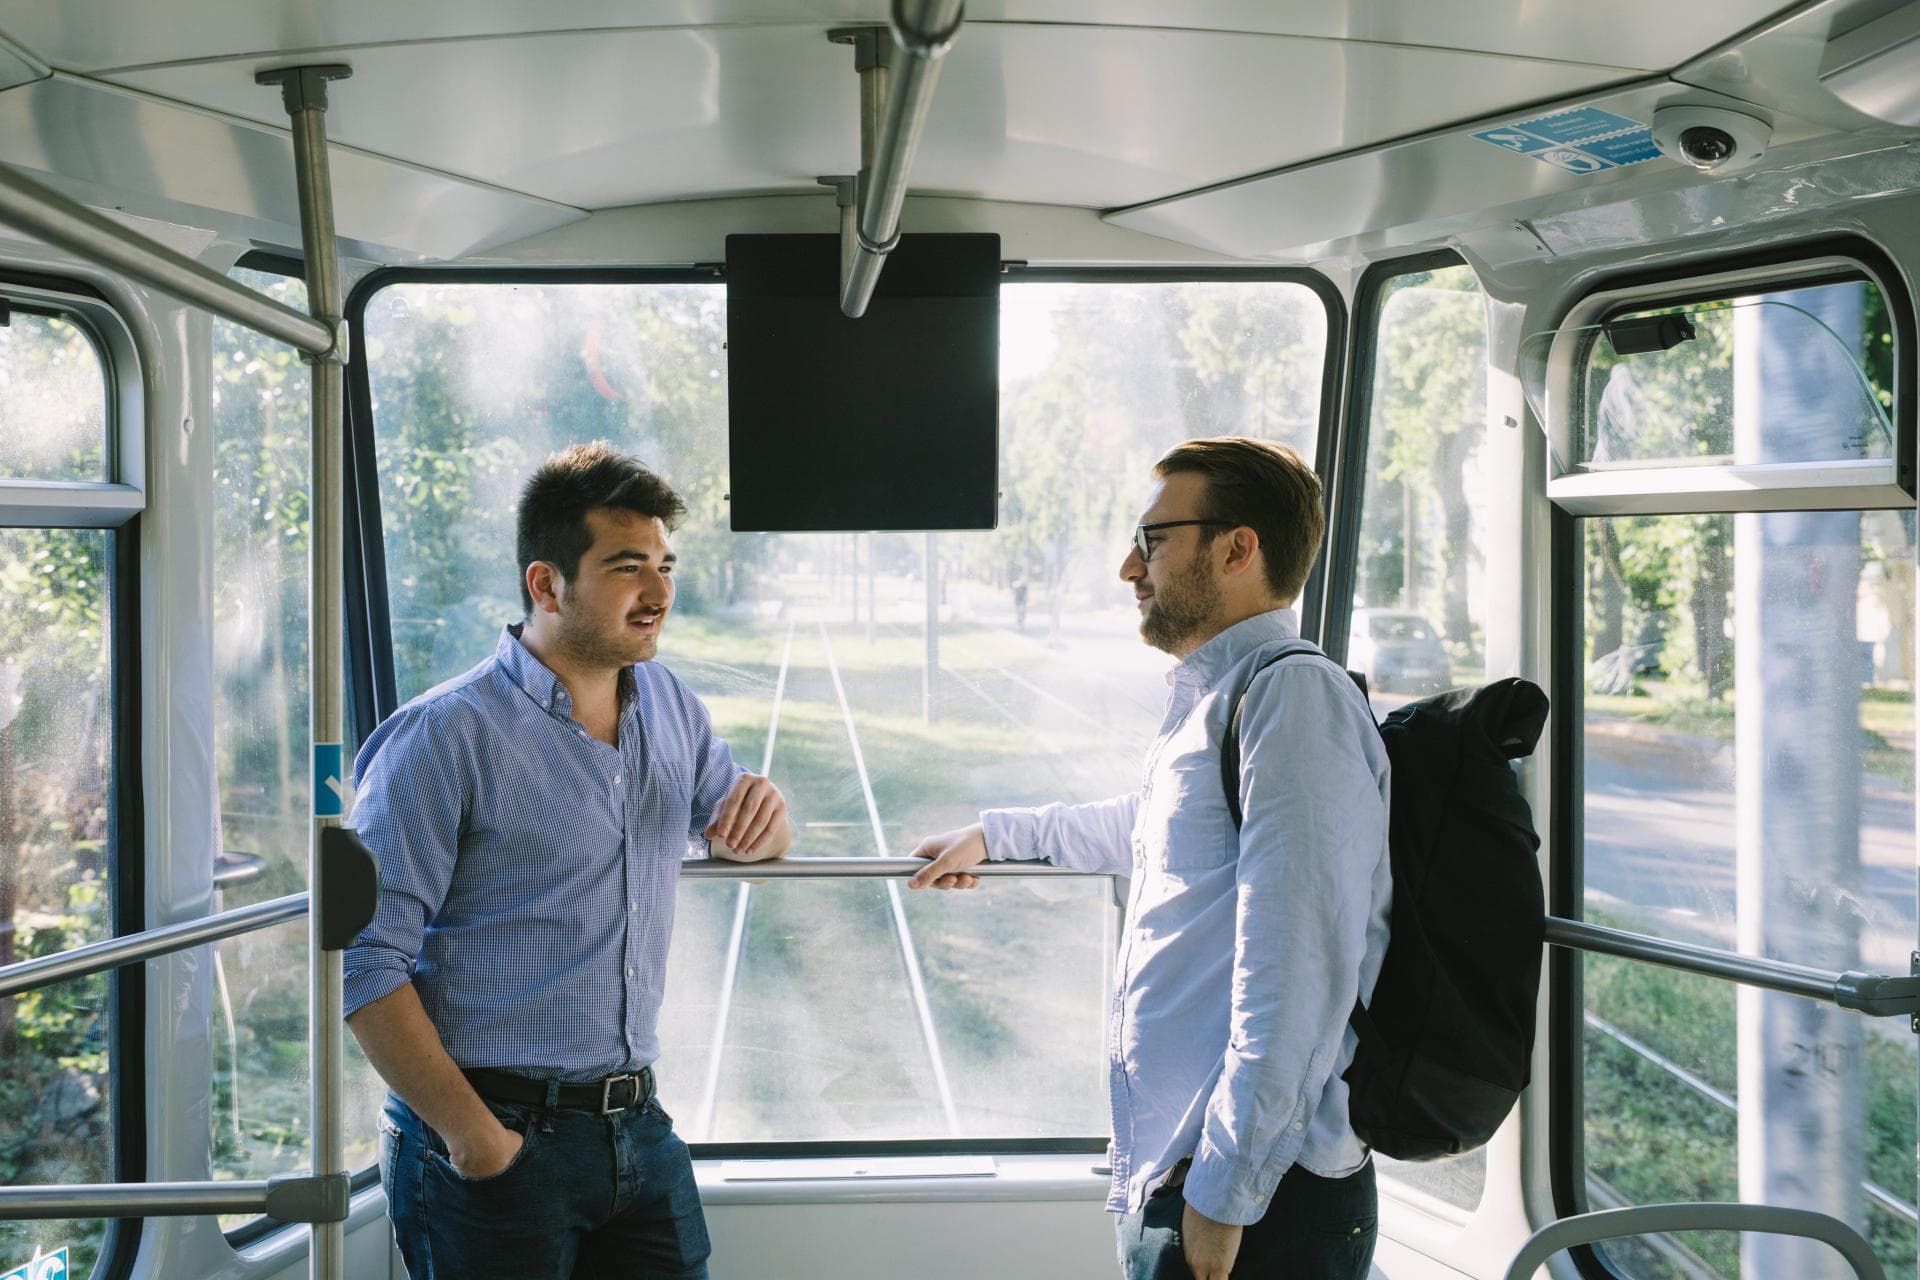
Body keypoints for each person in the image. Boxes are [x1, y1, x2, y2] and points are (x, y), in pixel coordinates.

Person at [908, 436, 1390, 1280]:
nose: (1131, 568)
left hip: (1259, 1195)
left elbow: (1298, 975)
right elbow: (1159, 834)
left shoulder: (1290, 696)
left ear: (1237, 548)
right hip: (1191, 1167)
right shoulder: (1227, 694)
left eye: (1152, 540)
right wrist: (1001, 835)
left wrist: (1224, 1194)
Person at [343, 441, 792, 1280]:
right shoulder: (441, 738)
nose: (659, 592)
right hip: (490, 1132)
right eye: (629, 567)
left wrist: (765, 824)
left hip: (637, 1127)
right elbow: (360, 958)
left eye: (665, 564)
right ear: (546, 584)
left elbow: (738, 821)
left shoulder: (669, 704)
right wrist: (476, 1140)